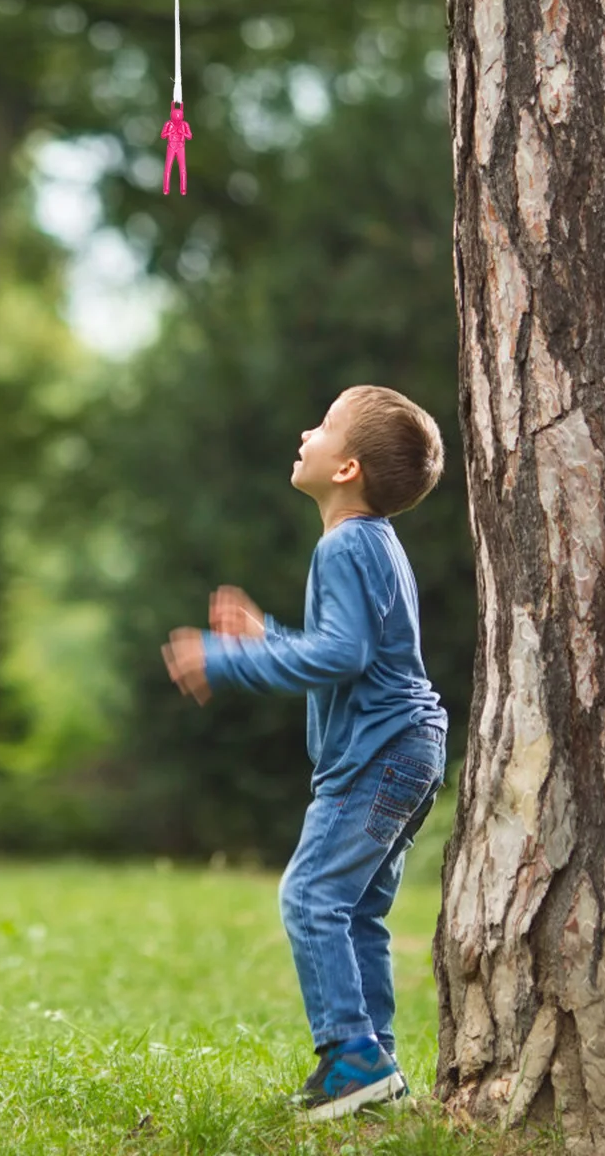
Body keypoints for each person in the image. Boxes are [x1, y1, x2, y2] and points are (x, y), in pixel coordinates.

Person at [162, 384, 447, 1122]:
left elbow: (341, 655)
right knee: (357, 912)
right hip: (410, 747)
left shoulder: (346, 543)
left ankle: (352, 1059)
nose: (304, 433)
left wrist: (229, 659)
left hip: (379, 751)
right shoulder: (375, 544)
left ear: (347, 468)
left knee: (311, 896)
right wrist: (270, 637)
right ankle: (376, 1067)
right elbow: (351, 651)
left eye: (322, 426)